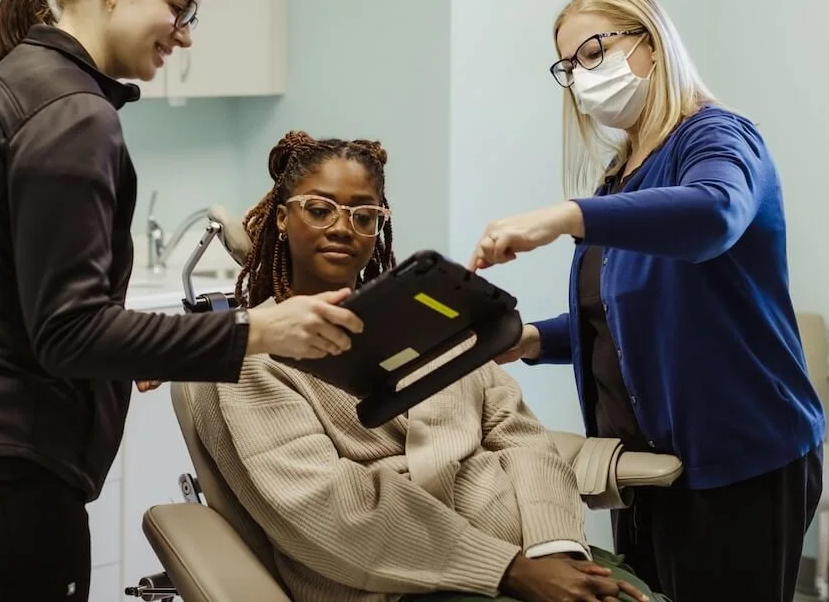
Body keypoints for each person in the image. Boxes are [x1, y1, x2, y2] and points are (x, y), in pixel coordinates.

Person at [0, 0, 362, 602]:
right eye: (181, 8)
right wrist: (258, 330)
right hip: (1, 480)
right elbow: (69, 333)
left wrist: (136, 351)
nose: (186, 36)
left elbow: (26, 307)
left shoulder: (7, 89)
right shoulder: (73, 116)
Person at [193, 130, 665, 602]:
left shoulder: (430, 317)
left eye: (363, 216)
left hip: (533, 557)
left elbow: (522, 436)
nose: (342, 228)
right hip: (396, 584)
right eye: (319, 210)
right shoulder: (255, 359)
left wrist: (555, 547)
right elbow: (325, 510)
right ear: (281, 219)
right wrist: (508, 571)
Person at [468, 0, 825, 602]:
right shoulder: (620, 180)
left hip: (740, 458)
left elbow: (713, 215)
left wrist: (562, 217)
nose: (582, 77)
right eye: (569, 65)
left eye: (594, 52)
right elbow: (617, 317)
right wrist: (526, 340)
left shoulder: (715, 138)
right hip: (643, 467)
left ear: (652, 45)